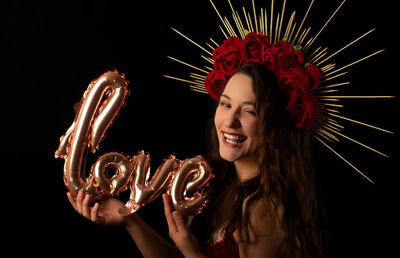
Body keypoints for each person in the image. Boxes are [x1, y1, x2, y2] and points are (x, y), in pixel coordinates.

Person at [67, 62, 325, 258]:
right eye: (225, 105)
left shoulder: (263, 207)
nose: (230, 122)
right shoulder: (223, 184)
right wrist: (129, 220)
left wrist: (192, 253)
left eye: (249, 111)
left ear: (275, 125)